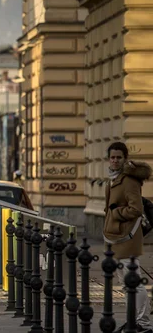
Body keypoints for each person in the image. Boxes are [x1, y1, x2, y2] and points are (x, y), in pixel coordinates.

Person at [103, 141, 153, 333]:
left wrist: (115, 213)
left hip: (127, 237)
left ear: (125, 159)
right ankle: (133, 320)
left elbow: (136, 209)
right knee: (125, 284)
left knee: (134, 282)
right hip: (115, 237)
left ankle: (143, 323)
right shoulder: (114, 179)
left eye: (119, 157)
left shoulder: (129, 180)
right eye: (112, 157)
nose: (115, 160)